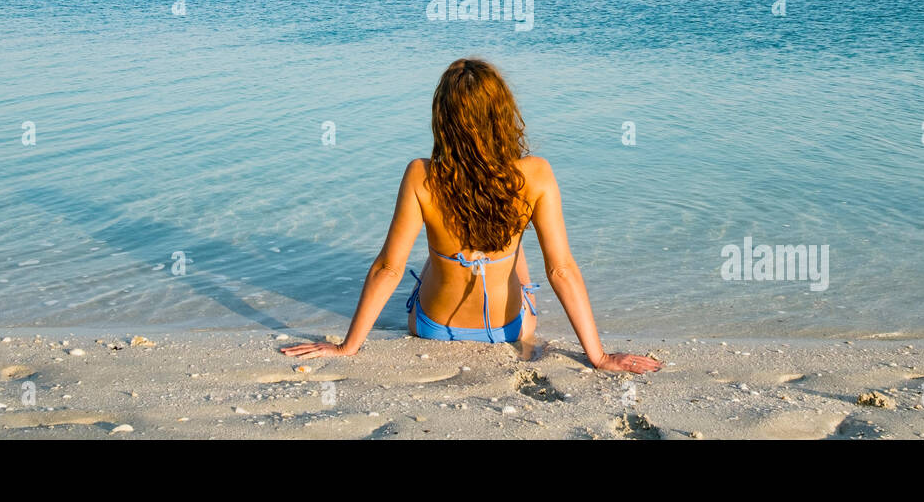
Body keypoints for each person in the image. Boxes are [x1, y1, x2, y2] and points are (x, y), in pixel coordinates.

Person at [281, 58, 662, 374]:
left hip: (431, 327)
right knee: (514, 245)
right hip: (509, 330)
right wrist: (598, 356)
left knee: (437, 254)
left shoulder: (420, 174)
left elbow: (388, 269)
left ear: (442, 119)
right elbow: (561, 270)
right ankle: (499, 250)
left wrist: (348, 348)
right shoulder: (538, 174)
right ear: (503, 115)